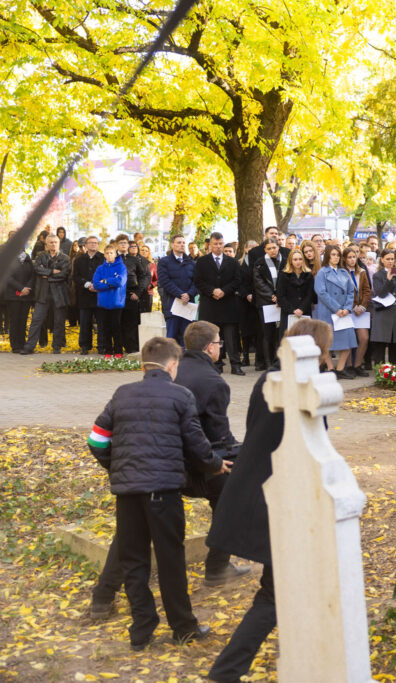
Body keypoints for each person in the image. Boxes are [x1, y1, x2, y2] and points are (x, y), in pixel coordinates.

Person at [89, 323, 249, 619]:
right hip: (180, 470)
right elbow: (208, 438)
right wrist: (220, 462)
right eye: (218, 343)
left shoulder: (125, 391)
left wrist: (117, 465)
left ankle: (103, 596)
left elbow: (97, 438)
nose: (220, 347)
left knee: (129, 534)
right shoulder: (211, 382)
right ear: (209, 347)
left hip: (137, 475)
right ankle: (215, 568)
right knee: (229, 492)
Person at [206, 319, 332, 682]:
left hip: (261, 493)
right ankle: (225, 672)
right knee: (275, 594)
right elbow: (313, 448)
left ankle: (300, 650)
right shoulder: (300, 386)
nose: (328, 357)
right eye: (325, 349)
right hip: (281, 501)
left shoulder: (270, 379)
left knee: (287, 588)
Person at [194, 232, 245, 374]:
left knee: (231, 337)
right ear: (210, 245)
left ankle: (235, 365)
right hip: (209, 305)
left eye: (220, 244)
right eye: (215, 244)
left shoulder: (232, 262)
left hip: (228, 304)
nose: (218, 247)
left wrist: (224, 291)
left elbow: (237, 280)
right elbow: (198, 281)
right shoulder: (202, 262)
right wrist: (212, 291)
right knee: (212, 337)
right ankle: (215, 364)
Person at [314, 244, 358, 377]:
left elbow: (351, 292)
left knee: (348, 341)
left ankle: (340, 370)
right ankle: (330, 368)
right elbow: (321, 293)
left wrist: (347, 308)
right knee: (327, 343)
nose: (336, 257)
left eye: (338, 255)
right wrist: (337, 308)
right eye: (333, 254)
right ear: (327, 256)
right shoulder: (322, 272)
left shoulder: (344, 272)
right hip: (328, 312)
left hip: (343, 313)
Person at [23, 234, 72, 354]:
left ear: (59, 243)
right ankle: (29, 346)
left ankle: (57, 347)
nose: (53, 244)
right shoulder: (41, 256)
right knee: (36, 320)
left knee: (59, 322)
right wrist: (52, 272)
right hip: (42, 294)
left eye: (55, 242)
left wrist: (46, 275)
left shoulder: (65, 258)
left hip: (59, 294)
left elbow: (64, 274)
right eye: (51, 242)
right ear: (46, 244)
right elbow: (37, 269)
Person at [370, 249, 396, 365]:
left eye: (392, 259)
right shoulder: (378, 275)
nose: (390, 261)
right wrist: (388, 280)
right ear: (382, 260)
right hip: (383, 313)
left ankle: (395, 372)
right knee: (380, 344)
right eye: (387, 259)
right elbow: (380, 293)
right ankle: (381, 374)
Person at [157, 234, 199, 347]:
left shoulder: (191, 263)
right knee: (171, 339)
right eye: (179, 242)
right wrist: (180, 294)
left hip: (188, 306)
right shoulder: (164, 262)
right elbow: (164, 281)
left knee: (187, 338)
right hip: (172, 305)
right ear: (172, 244)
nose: (182, 245)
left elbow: (197, 282)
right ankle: (171, 363)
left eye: (183, 242)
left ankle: (187, 363)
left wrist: (189, 294)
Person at [251, 238, 284, 369]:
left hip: (282, 302)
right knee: (267, 334)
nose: (272, 250)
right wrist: (272, 296)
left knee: (279, 333)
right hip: (266, 303)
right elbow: (258, 283)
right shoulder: (259, 263)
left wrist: (280, 296)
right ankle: (268, 362)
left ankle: (279, 361)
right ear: (265, 250)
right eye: (269, 248)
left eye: (274, 247)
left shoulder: (285, 261)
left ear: (278, 247)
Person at [93, 243, 127, 358]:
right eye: (107, 253)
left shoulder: (121, 267)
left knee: (116, 328)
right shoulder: (100, 268)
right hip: (103, 303)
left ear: (115, 254)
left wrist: (106, 281)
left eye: (111, 253)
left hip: (116, 302)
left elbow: (120, 282)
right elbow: (96, 284)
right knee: (105, 329)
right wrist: (110, 283)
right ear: (104, 255)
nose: (109, 255)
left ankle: (118, 351)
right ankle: (108, 351)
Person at [342, 246, 372, 375]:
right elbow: (343, 293)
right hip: (348, 310)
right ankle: (348, 366)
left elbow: (366, 290)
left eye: (354, 257)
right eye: (349, 257)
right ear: (344, 259)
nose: (352, 259)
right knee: (348, 338)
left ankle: (357, 365)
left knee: (364, 338)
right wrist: (353, 306)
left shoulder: (362, 271)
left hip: (361, 311)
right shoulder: (341, 272)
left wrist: (363, 306)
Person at [275, 248, 315, 340]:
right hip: (288, 313)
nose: (298, 262)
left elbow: (310, 295)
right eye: (295, 259)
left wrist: (301, 309)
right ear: (290, 261)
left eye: (300, 259)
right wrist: (293, 310)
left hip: (304, 312)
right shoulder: (283, 275)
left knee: (304, 341)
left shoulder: (308, 274)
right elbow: (281, 296)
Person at [73, 236, 103, 353]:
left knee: (101, 322)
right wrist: (86, 284)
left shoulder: (103, 258)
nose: (93, 245)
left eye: (95, 243)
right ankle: (85, 346)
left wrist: (97, 285)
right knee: (85, 322)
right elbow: (75, 276)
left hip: (100, 294)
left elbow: (107, 274)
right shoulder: (79, 259)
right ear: (85, 245)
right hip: (84, 294)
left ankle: (101, 346)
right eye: (90, 243)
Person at [5, 246, 34, 353]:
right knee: (14, 320)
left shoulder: (28, 259)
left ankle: (23, 343)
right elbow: (7, 277)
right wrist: (21, 288)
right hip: (13, 295)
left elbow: (32, 275)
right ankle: (15, 345)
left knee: (23, 320)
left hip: (26, 295)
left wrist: (27, 288)